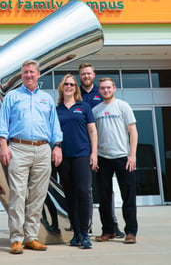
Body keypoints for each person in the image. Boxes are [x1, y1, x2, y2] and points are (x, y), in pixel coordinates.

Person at [0, 59, 63, 254]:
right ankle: (16, 238)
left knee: (38, 195)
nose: (29, 75)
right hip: (18, 148)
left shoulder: (47, 99)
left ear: (38, 74)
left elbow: (54, 126)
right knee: (18, 194)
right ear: (21, 75)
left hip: (43, 149)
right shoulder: (12, 97)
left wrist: (57, 146)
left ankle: (31, 237)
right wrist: (3, 144)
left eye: (32, 72)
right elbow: (3, 122)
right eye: (25, 72)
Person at [78, 62, 123, 238]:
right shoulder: (76, 94)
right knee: (85, 189)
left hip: (103, 151)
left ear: (93, 75)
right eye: (83, 74)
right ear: (79, 76)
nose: (86, 76)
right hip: (83, 150)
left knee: (106, 190)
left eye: (89, 73)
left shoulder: (102, 94)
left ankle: (112, 225)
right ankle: (86, 225)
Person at [92, 77, 138, 244]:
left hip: (123, 158)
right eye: (102, 88)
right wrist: (95, 155)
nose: (106, 90)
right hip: (103, 159)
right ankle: (108, 230)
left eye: (108, 87)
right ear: (99, 90)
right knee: (104, 198)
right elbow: (93, 135)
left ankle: (131, 232)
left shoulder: (122, 106)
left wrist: (132, 155)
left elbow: (133, 131)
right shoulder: (96, 110)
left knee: (128, 197)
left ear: (114, 88)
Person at [56, 74, 97, 249]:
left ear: (76, 88)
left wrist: (94, 153)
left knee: (83, 191)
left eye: (72, 84)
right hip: (64, 157)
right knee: (70, 195)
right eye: (66, 84)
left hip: (82, 154)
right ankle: (76, 233)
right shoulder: (56, 109)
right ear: (61, 87)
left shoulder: (84, 106)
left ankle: (85, 233)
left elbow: (92, 131)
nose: (69, 86)